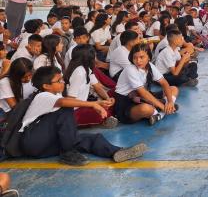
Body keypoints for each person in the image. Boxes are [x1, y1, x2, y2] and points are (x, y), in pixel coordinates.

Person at [19, 66, 147, 166]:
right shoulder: (42, 96)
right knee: (66, 110)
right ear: (46, 86)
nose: (63, 82)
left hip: (44, 146)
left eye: (62, 78)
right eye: (58, 81)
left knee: (90, 139)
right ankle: (68, 153)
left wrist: (96, 104)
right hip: (32, 141)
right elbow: (64, 103)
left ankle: (117, 152)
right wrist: (93, 104)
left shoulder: (55, 96)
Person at [114, 43, 179, 125]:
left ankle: (159, 113)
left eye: (141, 57)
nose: (138, 61)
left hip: (141, 97)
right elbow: (143, 92)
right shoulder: (130, 69)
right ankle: (162, 110)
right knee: (145, 109)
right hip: (126, 102)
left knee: (174, 89)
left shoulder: (150, 66)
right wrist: (163, 107)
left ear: (148, 57)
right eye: (135, 58)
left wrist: (170, 102)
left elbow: (164, 83)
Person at [64, 45, 118, 128]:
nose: (96, 57)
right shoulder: (79, 72)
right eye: (94, 55)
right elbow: (70, 100)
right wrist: (93, 104)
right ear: (89, 58)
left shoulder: (87, 69)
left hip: (84, 105)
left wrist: (107, 99)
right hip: (74, 110)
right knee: (101, 113)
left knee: (114, 97)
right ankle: (104, 119)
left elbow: (97, 87)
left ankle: (107, 116)